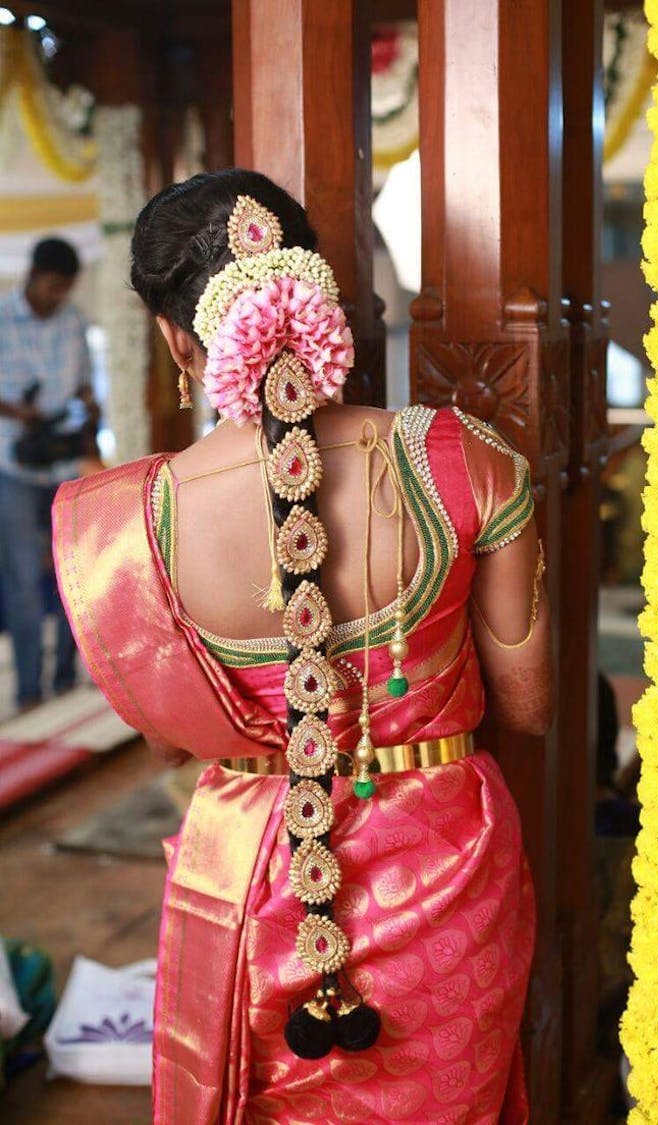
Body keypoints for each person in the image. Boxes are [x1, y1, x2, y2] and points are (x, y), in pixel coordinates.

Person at [52, 169, 553, 1124]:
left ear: (175, 342)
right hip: (446, 859)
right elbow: (529, 707)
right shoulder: (464, 457)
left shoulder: (118, 528)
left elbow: (170, 742)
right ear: (320, 292)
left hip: (249, 881)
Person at [0, 237, 96, 710]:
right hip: (11, 467)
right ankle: (28, 691)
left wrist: (84, 406)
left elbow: (83, 384)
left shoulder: (75, 320)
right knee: (20, 582)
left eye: (66, 289)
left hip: (62, 464)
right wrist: (19, 413)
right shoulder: (1, 319)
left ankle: (64, 678)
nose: (59, 296)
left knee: (70, 575)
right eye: (54, 286)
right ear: (33, 275)